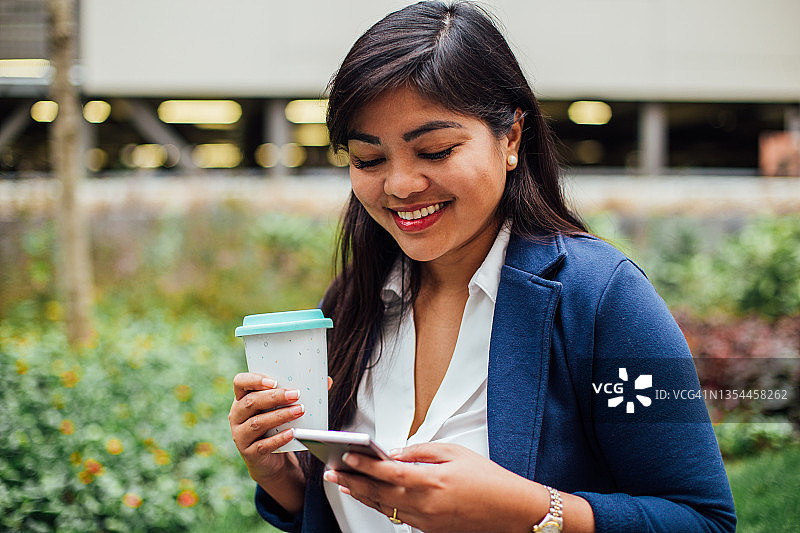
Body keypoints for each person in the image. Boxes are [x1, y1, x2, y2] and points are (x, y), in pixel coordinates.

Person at [228, 2, 736, 532]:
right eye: (368, 160)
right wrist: (282, 476)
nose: (400, 185)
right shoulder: (352, 298)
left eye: (435, 151)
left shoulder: (600, 298)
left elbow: (703, 521)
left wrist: (531, 510)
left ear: (511, 138)